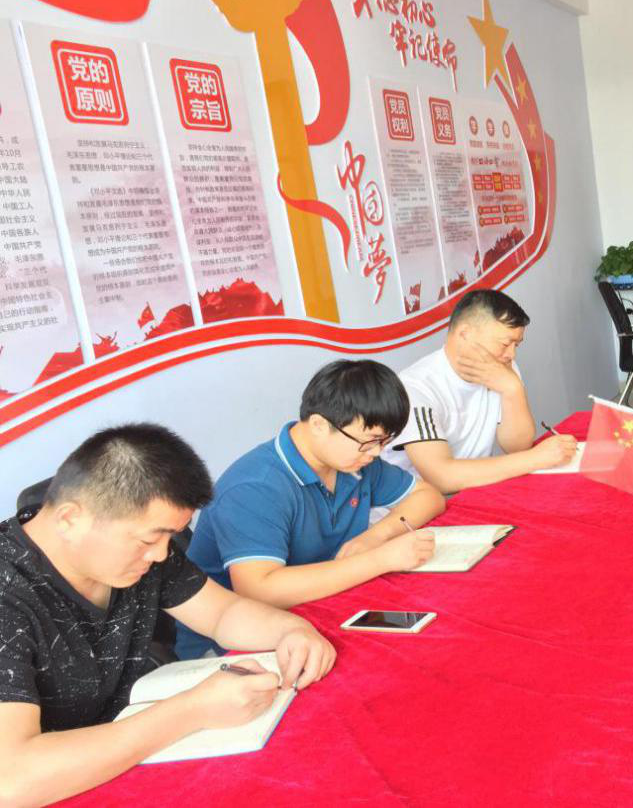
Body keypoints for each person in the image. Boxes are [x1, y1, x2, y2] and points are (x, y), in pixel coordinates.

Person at [0, 424, 336, 806]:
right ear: (70, 519)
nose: (161, 554)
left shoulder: (142, 555)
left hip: (127, 758)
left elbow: (222, 614)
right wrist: (193, 710)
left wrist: (291, 630)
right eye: (149, 540)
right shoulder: (8, 594)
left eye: (168, 538)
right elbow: (11, 778)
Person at [177, 360, 445, 658]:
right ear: (319, 425)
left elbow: (428, 496)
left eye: (384, 442)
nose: (375, 453)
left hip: (320, 605)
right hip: (233, 645)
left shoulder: (353, 460)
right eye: (369, 442)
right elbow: (260, 591)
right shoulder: (256, 486)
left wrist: (376, 536)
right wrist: (380, 559)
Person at [382, 289, 578, 493]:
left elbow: (517, 447)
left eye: (516, 345)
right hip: (419, 501)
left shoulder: (503, 369)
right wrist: (536, 458)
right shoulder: (416, 388)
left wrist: (512, 390)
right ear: (464, 334)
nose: (511, 354)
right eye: (505, 344)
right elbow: (442, 478)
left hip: (475, 488)